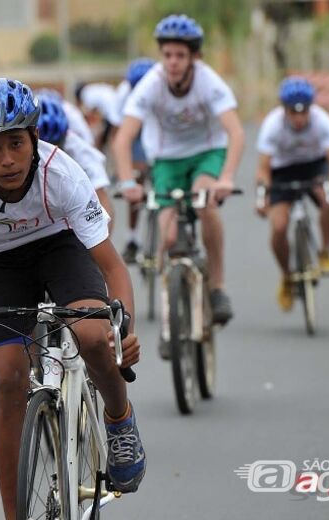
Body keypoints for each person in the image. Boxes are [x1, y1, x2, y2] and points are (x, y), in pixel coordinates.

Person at [0, 78, 146, 520]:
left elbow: (112, 267)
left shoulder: (62, 173)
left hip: (60, 246)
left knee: (91, 334)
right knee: (6, 377)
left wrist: (123, 330)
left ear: (34, 138)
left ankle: (119, 417)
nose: (6, 159)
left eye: (15, 143)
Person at [113, 14, 245, 337]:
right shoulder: (151, 84)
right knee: (168, 236)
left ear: (194, 58)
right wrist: (128, 181)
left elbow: (236, 132)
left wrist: (226, 177)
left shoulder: (209, 82)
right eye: (168, 55)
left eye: (180, 56)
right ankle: (170, 312)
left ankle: (217, 287)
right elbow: (123, 138)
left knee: (204, 203)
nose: (172, 62)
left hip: (207, 152)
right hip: (167, 159)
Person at [255, 77, 329, 311]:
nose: (298, 118)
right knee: (279, 227)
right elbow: (263, 168)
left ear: (310, 109)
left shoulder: (323, 121)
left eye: (303, 112)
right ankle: (287, 276)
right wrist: (262, 196)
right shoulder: (272, 124)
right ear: (283, 110)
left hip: (314, 167)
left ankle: (325, 252)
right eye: (292, 113)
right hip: (282, 171)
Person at [36, 93, 115, 228]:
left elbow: (103, 204)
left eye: (55, 146)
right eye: (41, 147)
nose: (47, 155)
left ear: (65, 137)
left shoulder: (79, 147)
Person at [116, 58, 157, 264]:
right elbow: (120, 133)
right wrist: (127, 175)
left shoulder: (160, 89)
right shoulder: (124, 96)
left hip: (159, 132)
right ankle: (132, 239)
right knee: (136, 179)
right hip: (135, 133)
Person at [75, 81, 121, 150]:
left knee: (113, 136)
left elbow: (88, 114)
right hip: (115, 106)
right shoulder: (92, 89)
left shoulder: (85, 94)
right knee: (107, 135)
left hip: (111, 112)